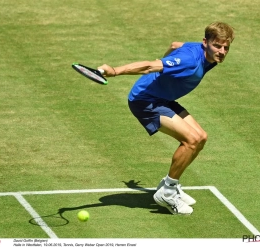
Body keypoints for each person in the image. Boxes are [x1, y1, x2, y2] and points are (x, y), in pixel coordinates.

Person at [98, 22, 235, 215]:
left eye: (225, 47)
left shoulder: (203, 53)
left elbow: (175, 44)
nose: (221, 51)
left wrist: (166, 66)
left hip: (163, 97)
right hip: (145, 101)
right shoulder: (189, 60)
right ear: (205, 42)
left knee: (201, 137)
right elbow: (148, 66)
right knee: (191, 140)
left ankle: (169, 184)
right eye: (217, 46)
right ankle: (167, 192)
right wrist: (114, 70)